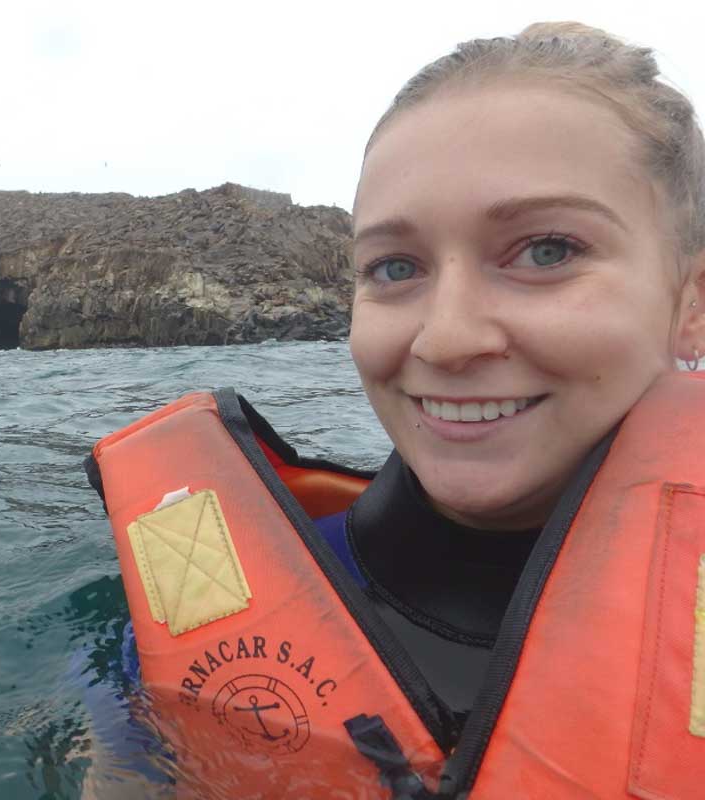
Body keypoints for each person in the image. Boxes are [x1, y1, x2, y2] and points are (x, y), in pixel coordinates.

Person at [84, 21, 705, 799]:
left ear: (693, 302)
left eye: (546, 251)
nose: (446, 338)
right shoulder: (166, 636)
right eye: (395, 267)